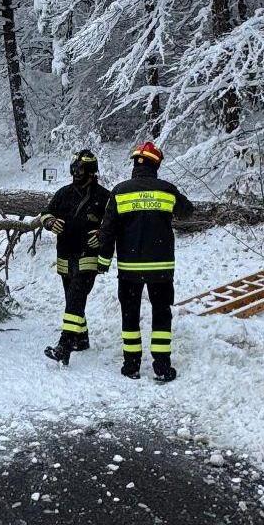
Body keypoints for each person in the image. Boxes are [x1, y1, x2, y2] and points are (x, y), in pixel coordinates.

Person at [97, 142, 193, 382]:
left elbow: (107, 230)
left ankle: (131, 366)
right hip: (161, 267)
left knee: (129, 314)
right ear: (156, 165)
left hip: (129, 268)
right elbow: (188, 211)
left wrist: (103, 260)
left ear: (135, 164)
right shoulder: (167, 190)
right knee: (161, 313)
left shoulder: (120, 191)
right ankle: (161, 367)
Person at [39, 150, 111, 366]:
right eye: (74, 169)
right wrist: (50, 222)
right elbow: (45, 213)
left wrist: (101, 235)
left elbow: (113, 225)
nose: (76, 174)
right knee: (73, 299)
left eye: (80, 170)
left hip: (88, 257)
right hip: (65, 256)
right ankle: (81, 337)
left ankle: (65, 345)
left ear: (91, 173)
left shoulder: (104, 197)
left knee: (77, 296)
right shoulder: (63, 193)